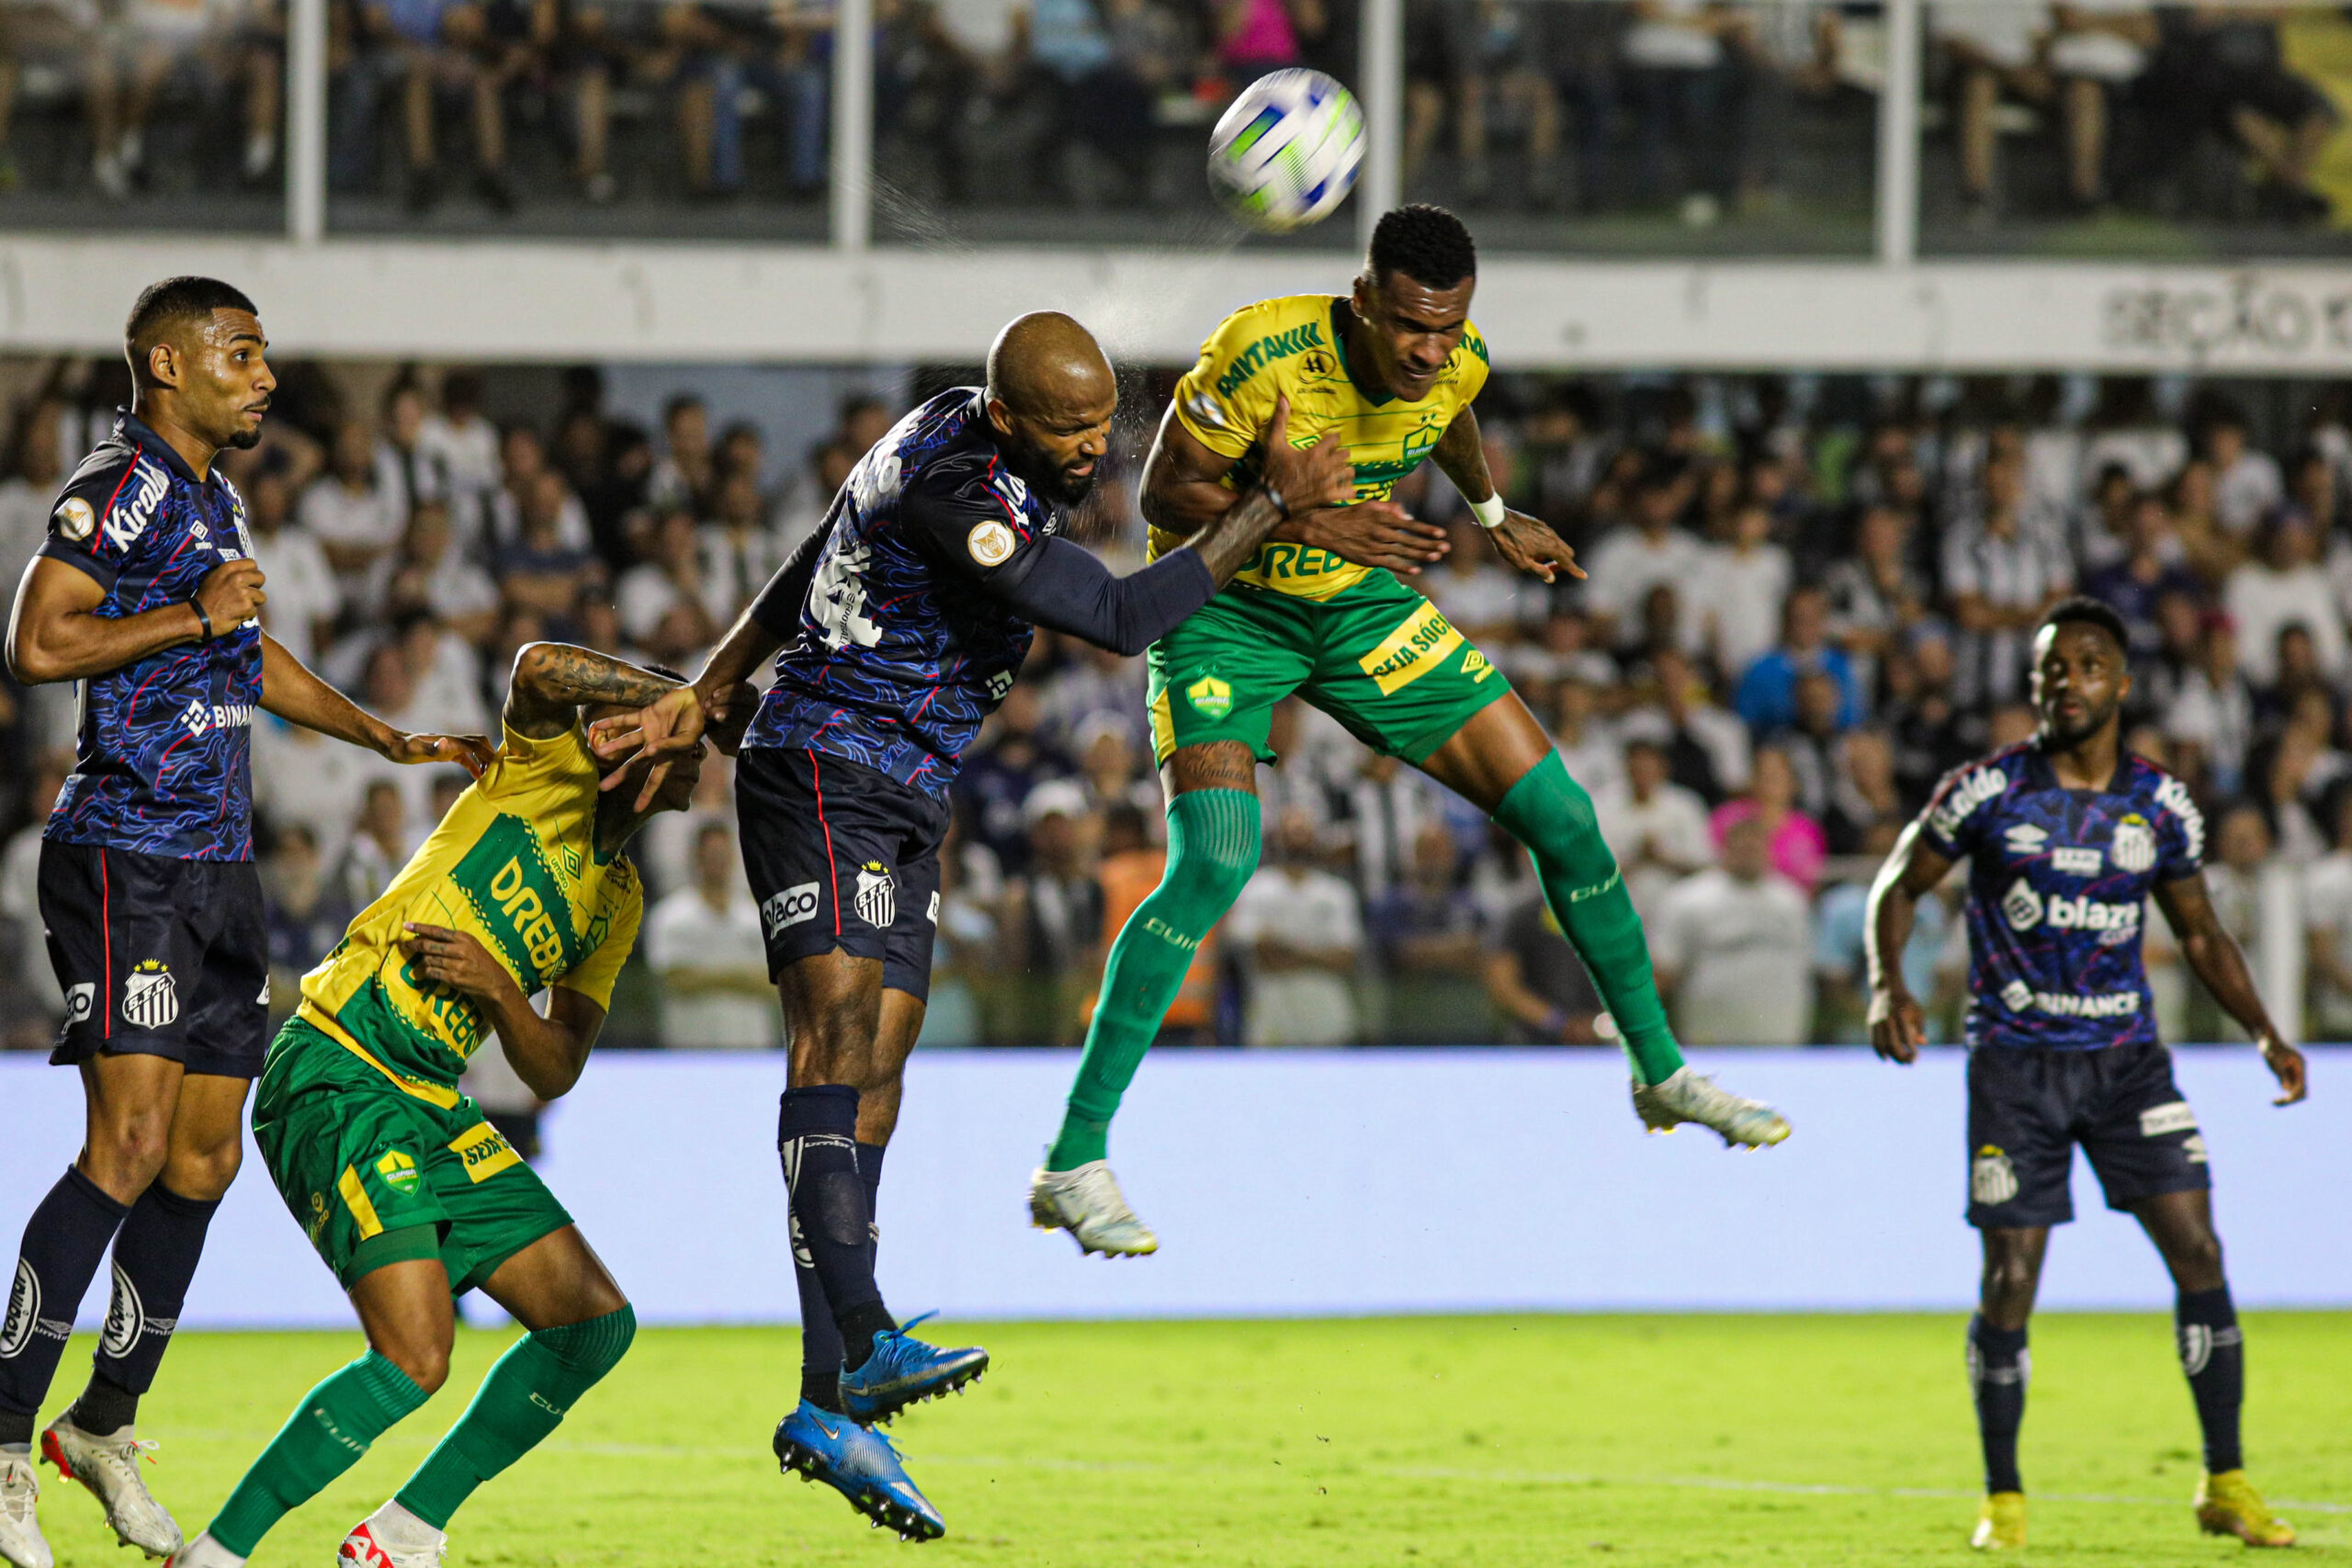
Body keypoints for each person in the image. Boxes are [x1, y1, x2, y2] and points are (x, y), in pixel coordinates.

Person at [587, 309, 1354, 1540]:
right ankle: (869, 1331)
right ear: (1008, 415)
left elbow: (806, 562)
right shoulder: (960, 483)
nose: (1089, 450)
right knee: (832, 1047)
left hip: (906, 788)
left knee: (879, 1082)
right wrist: (1272, 504)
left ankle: (829, 1403)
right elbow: (1116, 614)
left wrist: (709, 681)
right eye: (1065, 430)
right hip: (825, 764)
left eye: (1102, 423)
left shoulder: (941, 424)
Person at [1029, 205, 1789, 1263]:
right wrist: (1309, 517)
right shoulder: (1262, 350)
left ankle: (1658, 1073)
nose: (1430, 353)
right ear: (1363, 304)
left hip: (1356, 609)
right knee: (1216, 861)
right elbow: (1165, 491)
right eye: (1408, 332)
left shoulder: (1455, 361)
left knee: (1564, 816)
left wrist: (1488, 512)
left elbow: (1451, 411)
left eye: (1447, 330)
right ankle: (1073, 1160)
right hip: (1225, 616)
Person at [0, 277, 491, 1568]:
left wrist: (385, 736)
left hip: (217, 867)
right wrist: (187, 611)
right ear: (168, 364)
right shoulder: (122, 486)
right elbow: (39, 643)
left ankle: (102, 1425)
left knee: (203, 1162)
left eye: (265, 354)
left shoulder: (215, 495)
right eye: (242, 353)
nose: (265, 376)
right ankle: (1, 1437)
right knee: (129, 1143)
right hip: (126, 856)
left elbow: (246, 652)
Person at [164, 641, 709, 1568]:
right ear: (634, 745)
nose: (700, 765)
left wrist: (503, 991)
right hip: (340, 1063)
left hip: (430, 1097)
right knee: (415, 1357)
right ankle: (214, 1557)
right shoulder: (544, 769)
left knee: (592, 1324)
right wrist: (677, 694)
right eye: (688, 745)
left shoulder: (617, 902)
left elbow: (556, 1068)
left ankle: (405, 1531)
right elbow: (536, 667)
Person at [1864, 595, 2306, 1552]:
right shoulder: (1986, 792)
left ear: (2123, 683)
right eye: (2050, 669)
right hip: (2016, 1070)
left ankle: (2225, 1480)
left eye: (2087, 665)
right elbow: (1898, 887)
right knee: (2010, 1281)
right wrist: (1883, 983)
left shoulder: (2159, 803)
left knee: (2199, 1254)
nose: (2066, 681)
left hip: (2126, 1067)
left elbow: (2199, 932)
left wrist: (2266, 1031)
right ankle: (2004, 1497)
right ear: (2034, 686)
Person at [646, 818, 778, 1048]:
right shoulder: (671, 916)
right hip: (689, 1050)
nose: (718, 861)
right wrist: (741, 977)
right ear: (696, 857)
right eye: (711, 854)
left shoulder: (757, 916)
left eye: (722, 853)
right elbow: (674, 980)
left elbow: (775, 985)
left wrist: (706, 977)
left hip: (752, 1049)